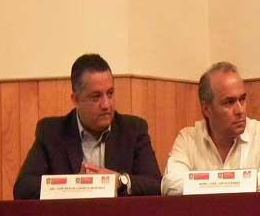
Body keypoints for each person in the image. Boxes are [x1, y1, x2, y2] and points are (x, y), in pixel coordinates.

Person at [13, 54, 162, 199]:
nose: (106, 104)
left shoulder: (133, 130)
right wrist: (76, 185)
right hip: (70, 215)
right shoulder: (52, 132)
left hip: (118, 215)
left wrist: (118, 181)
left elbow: (156, 185)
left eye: (110, 93)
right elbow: (23, 188)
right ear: (76, 100)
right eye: (96, 97)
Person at [162, 62, 260, 195]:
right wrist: (232, 184)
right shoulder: (187, 139)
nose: (240, 110)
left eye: (242, 99)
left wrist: (207, 185)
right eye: (229, 102)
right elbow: (170, 185)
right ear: (207, 109)